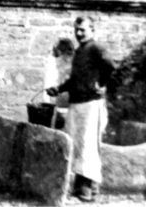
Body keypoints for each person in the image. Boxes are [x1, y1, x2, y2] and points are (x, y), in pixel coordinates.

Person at [46, 17, 116, 203]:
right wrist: (59, 89)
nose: (78, 33)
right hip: (76, 103)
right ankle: (80, 187)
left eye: (82, 30)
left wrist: (102, 84)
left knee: (87, 145)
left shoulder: (95, 48)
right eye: (76, 30)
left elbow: (110, 66)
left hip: (90, 104)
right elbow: (75, 80)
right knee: (75, 144)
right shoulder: (79, 52)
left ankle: (87, 189)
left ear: (92, 30)